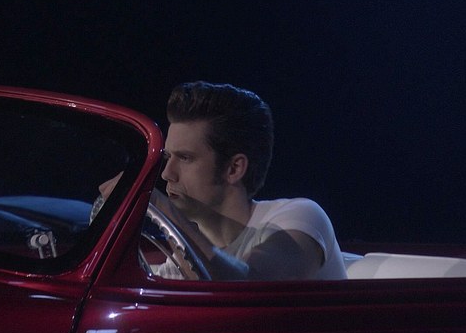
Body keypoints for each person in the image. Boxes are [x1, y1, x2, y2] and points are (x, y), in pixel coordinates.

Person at [101, 81, 346, 281]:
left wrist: (161, 207)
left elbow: (253, 291)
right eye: (168, 157)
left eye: (185, 158)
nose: (167, 174)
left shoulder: (300, 216)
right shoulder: (178, 263)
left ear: (234, 169)